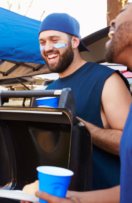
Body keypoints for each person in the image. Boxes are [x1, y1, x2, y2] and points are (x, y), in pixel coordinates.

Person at [21, 3, 132, 203]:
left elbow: (126, 143)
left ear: (74, 41)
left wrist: (79, 126)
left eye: (55, 40)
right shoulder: (48, 91)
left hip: (105, 194)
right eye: (42, 42)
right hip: (62, 196)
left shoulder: (106, 79)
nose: (47, 48)